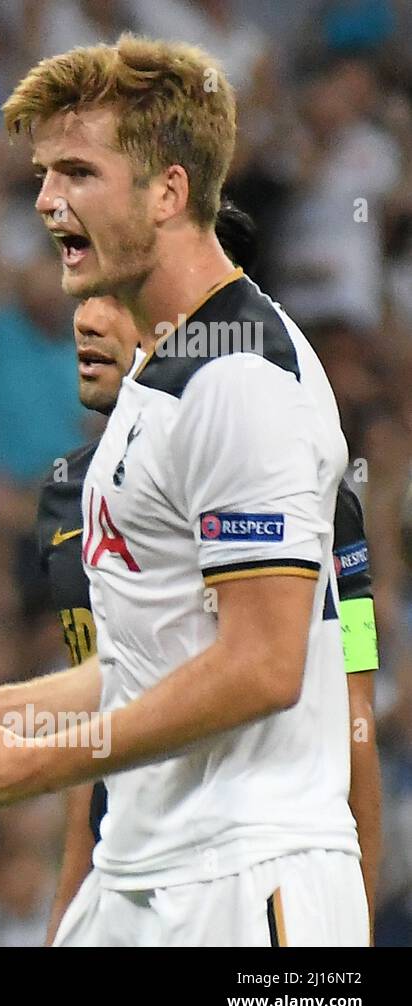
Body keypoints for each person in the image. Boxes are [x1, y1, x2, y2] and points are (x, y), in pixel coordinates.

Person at [0, 35, 368, 946]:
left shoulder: (243, 379)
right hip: (143, 878)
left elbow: (263, 666)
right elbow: (159, 657)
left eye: (77, 171)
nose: (45, 201)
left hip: (249, 880)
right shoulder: (157, 376)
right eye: (42, 174)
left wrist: (35, 768)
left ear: (169, 192)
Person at [37, 202, 382, 944]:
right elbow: (102, 738)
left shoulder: (317, 505)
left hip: (251, 873)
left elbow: (353, 721)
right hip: (132, 882)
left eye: (118, 296)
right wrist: (69, 919)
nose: (89, 321)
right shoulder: (68, 501)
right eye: (84, 293)